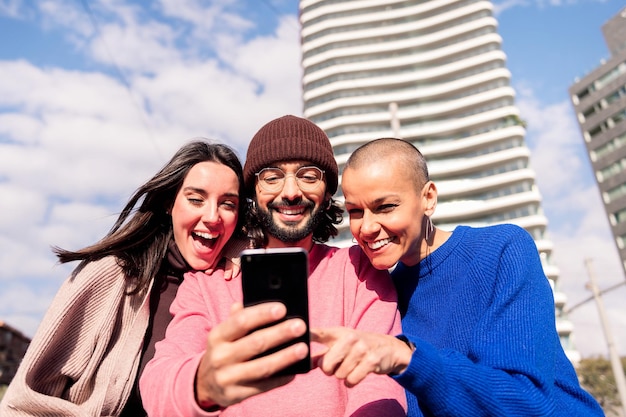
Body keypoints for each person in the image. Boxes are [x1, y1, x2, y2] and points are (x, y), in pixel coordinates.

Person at [311, 137, 604, 416]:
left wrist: (406, 357)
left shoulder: (501, 249)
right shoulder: (381, 294)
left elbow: (525, 404)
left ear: (428, 198)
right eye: (355, 211)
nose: (367, 227)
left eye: (385, 207)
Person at [139, 115, 407, 416]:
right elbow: (157, 381)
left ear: (328, 193)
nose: (290, 192)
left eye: (308, 176)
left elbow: (380, 390)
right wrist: (203, 383)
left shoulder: (359, 270)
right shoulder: (204, 285)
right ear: (252, 194)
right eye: (272, 177)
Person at [0, 140, 246, 417]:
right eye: (196, 199)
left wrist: (242, 248)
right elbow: (22, 403)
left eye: (228, 204)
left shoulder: (233, 281)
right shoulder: (109, 275)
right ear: (169, 203)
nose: (212, 217)